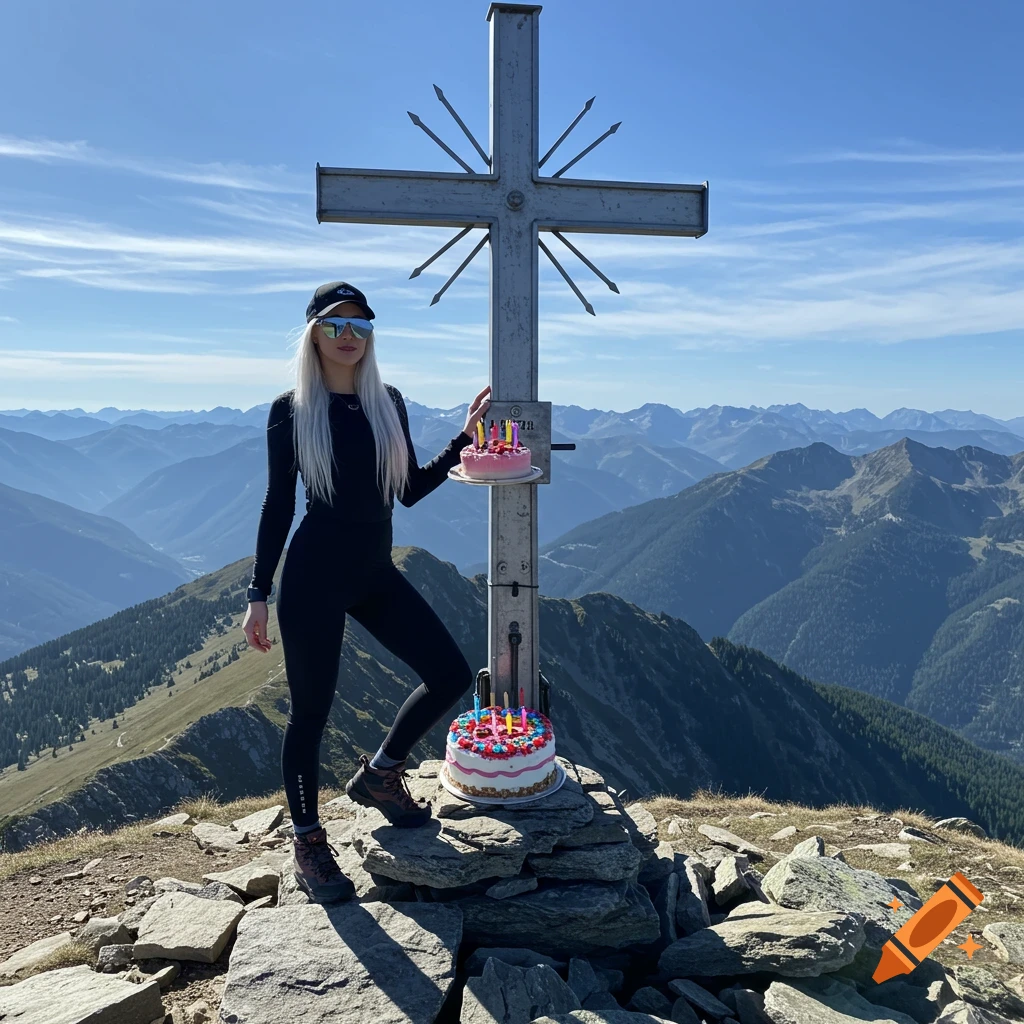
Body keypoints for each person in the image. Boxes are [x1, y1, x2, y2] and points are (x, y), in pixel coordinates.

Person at [241, 281, 489, 902]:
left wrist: (463, 441)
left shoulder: (387, 402)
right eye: (335, 324)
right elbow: (278, 505)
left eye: (361, 325)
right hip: (313, 577)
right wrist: (257, 593)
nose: (348, 336)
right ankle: (307, 840)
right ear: (313, 335)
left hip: (374, 573)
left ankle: (381, 774)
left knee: (450, 674)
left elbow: (407, 490)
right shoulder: (292, 409)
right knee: (310, 714)